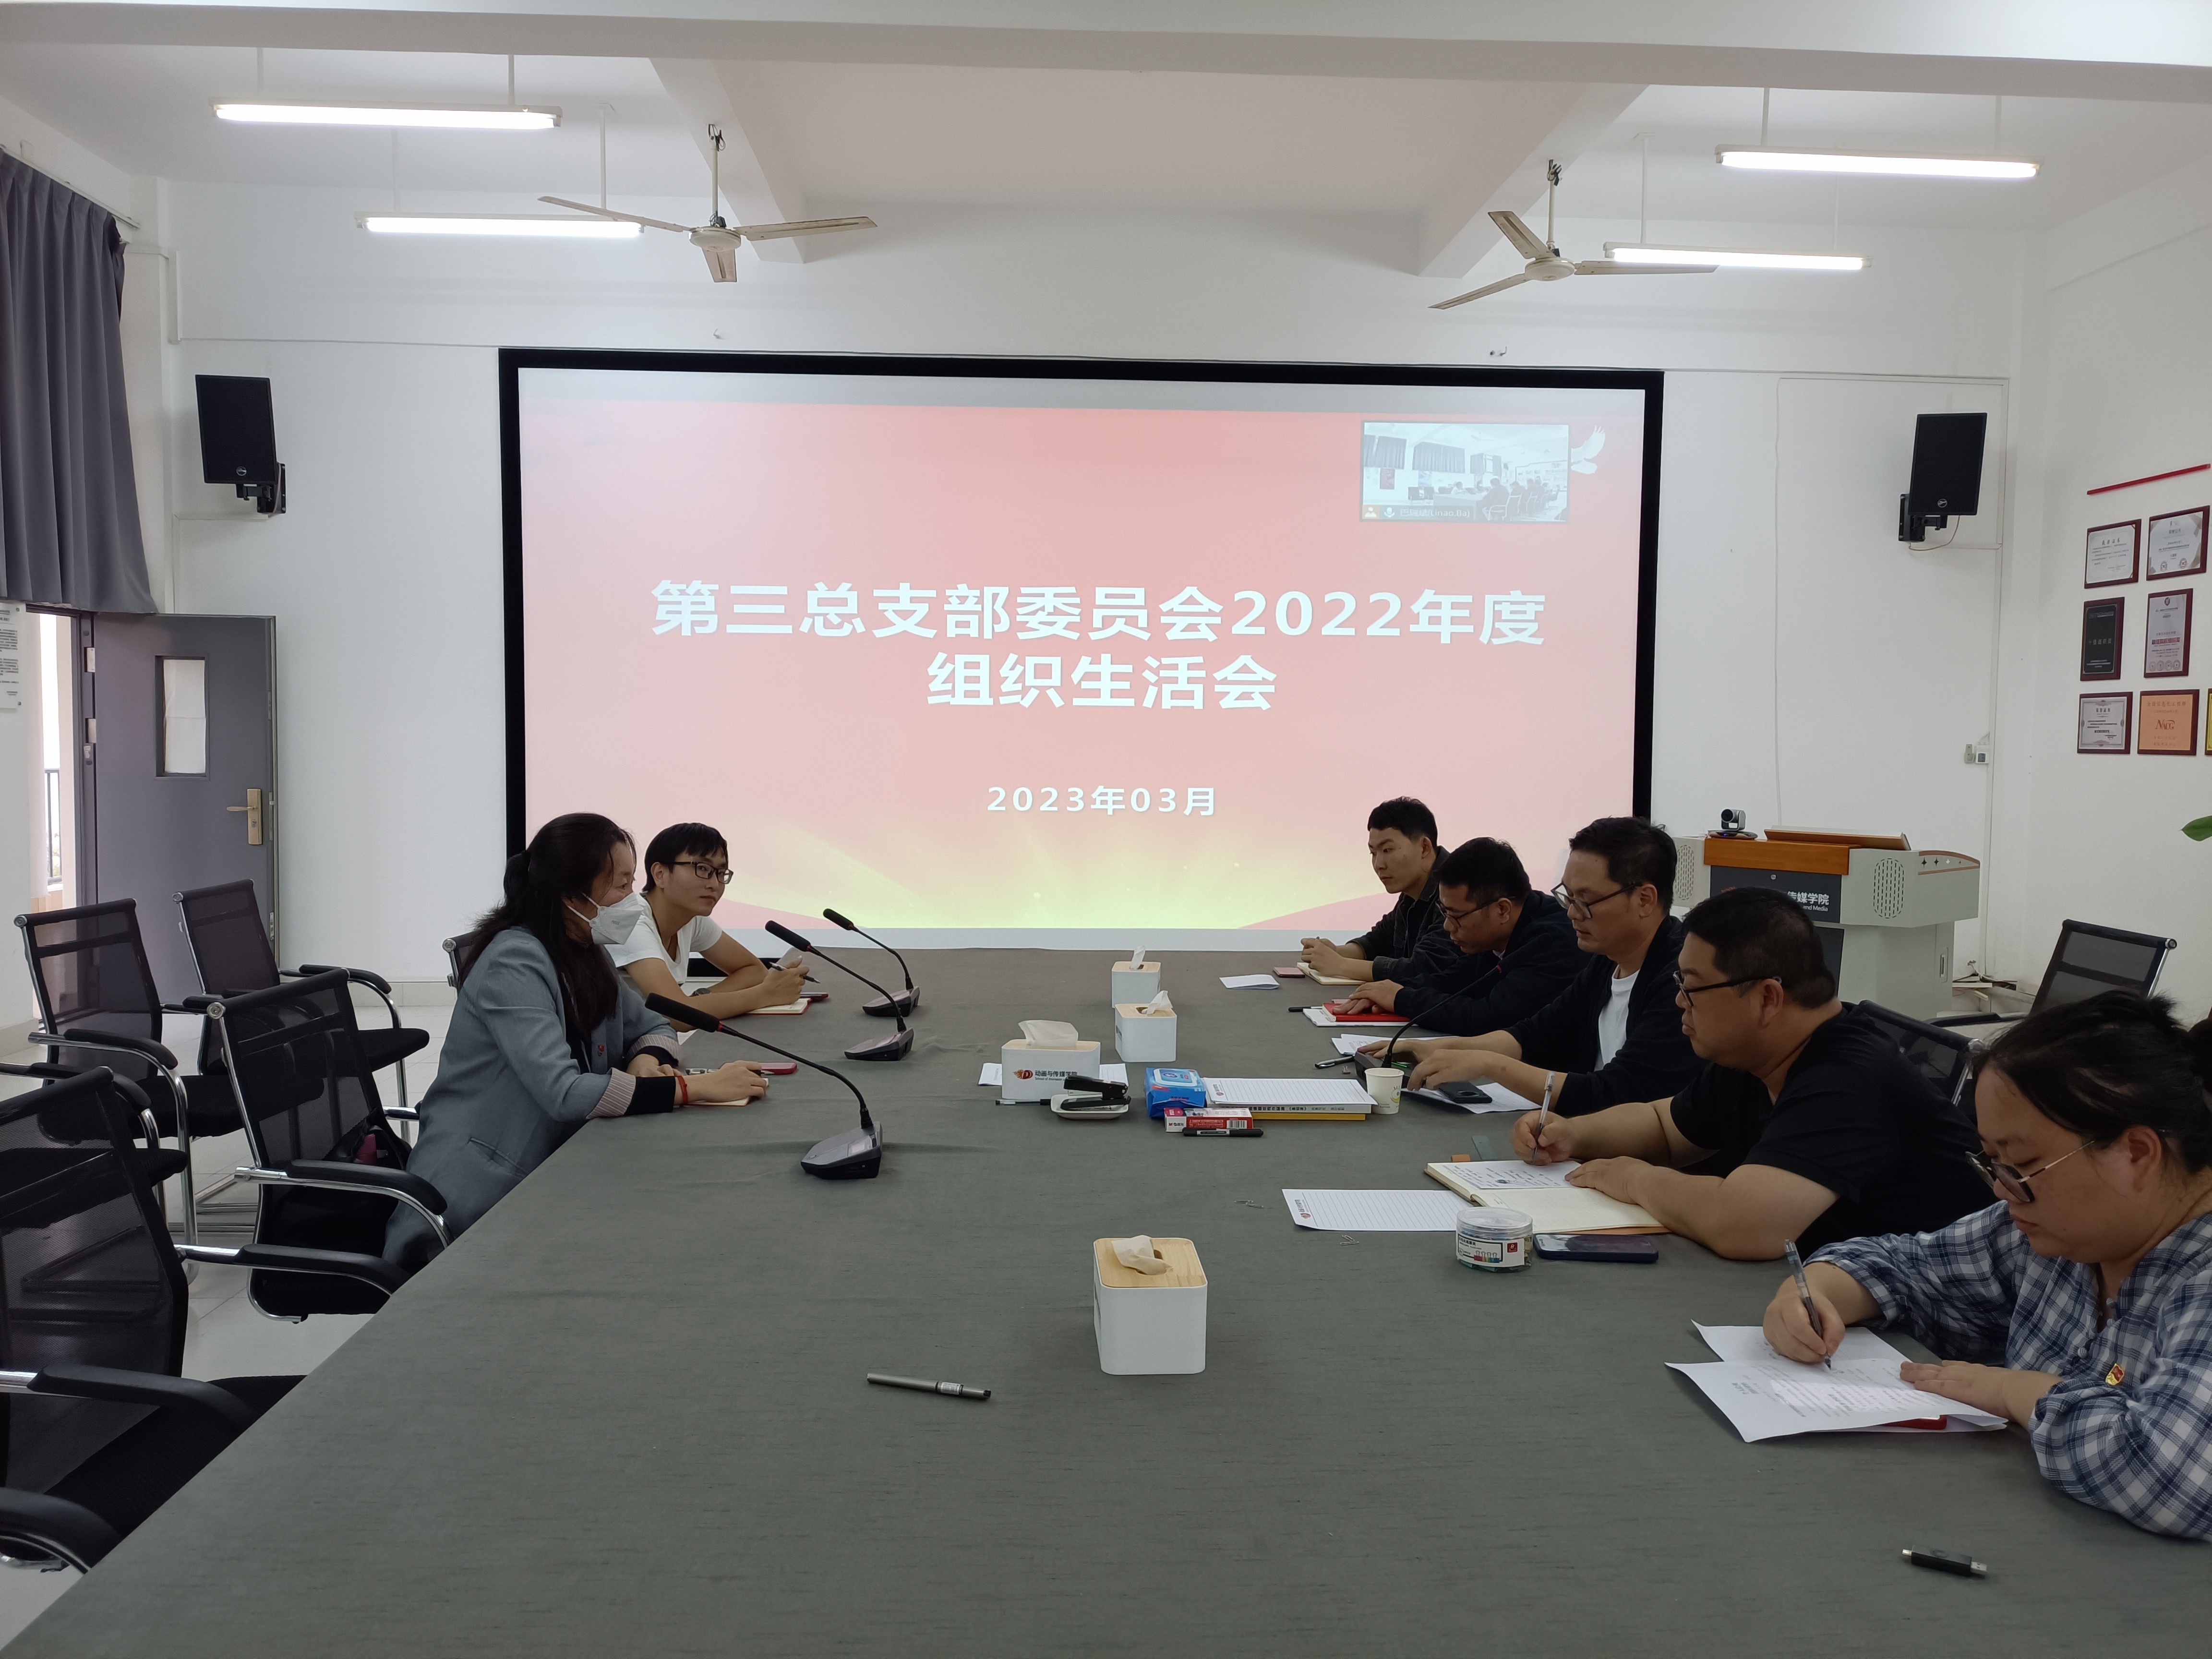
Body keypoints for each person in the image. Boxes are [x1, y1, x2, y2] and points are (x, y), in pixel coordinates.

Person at [1762, 991, 2212, 1539]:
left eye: (2022, 1165)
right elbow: (1906, 1266)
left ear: (2136, 1153)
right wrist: (1812, 1293)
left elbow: (2172, 1477)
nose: (2002, 1190)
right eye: (1992, 1163)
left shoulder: (2198, 1276)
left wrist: (2012, 1391)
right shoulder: (2059, 1236)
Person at [1511, 887, 1987, 1257]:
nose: (1679, 1001)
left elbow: (1743, 1227)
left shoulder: (1847, 1078)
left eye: (1692, 987)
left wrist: (1635, 1179)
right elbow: (1667, 1126)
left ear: (1767, 998)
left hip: (1926, 1328)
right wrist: (1573, 1134)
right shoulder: (1759, 1053)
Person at [386, 813, 768, 1263]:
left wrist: (646, 1060)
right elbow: (564, 1092)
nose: (632, 899)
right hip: (476, 1200)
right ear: (572, 896)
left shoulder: (585, 949)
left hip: (558, 1163)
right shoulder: (514, 962)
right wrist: (691, 1088)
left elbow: (654, 1024)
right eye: (621, 885)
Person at [1386, 816, 1696, 1113]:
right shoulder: (1606, 963)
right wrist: (1445, 1048)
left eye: (1585, 900)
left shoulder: (1682, 981)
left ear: (1645, 900)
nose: (1572, 913)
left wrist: (1490, 1064)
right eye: (1568, 896)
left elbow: (1615, 1092)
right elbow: (1536, 1034)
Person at [1336, 837, 1579, 1033]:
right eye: (1444, 913)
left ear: (1502, 910)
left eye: (1456, 916)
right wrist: (1389, 991)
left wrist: (1401, 999)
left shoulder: (1554, 942)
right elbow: (1455, 980)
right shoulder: (1496, 933)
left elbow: (1488, 1018)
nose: (1447, 926)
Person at [607, 821, 809, 1020]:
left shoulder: (690, 918)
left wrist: (700, 999)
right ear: (660, 874)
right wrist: (766, 994)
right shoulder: (631, 921)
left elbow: (754, 971)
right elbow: (676, 1016)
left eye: (720, 873)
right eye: (702, 869)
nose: (715, 884)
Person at [1300, 797, 1447, 986]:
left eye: (1387, 850)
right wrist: (1336, 952)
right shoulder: (1412, 891)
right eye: (1373, 853)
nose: (1379, 865)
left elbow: (1423, 969)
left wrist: (1341, 965)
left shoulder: (1456, 889)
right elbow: (1379, 941)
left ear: (1424, 848)